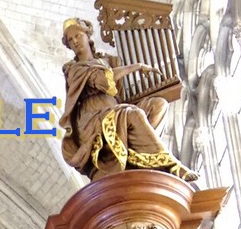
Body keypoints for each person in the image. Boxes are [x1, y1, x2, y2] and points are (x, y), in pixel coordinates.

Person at [59, 17, 196, 183]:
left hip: (116, 108)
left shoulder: (109, 60)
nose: (75, 41)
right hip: (93, 119)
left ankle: (136, 156)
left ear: (87, 35)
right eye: (70, 40)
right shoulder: (74, 69)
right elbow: (103, 81)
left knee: (159, 104)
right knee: (132, 114)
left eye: (77, 36)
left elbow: (121, 92)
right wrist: (137, 66)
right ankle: (171, 165)